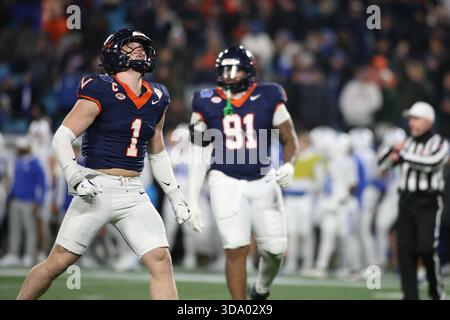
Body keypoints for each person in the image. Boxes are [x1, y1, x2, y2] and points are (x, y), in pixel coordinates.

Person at [16, 28, 196, 300]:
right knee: (59, 262)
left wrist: (175, 195)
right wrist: (74, 176)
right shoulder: (100, 88)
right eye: (130, 47)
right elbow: (62, 137)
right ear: (113, 53)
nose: (139, 50)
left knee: (160, 259)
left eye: (141, 47)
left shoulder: (158, 96)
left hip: (134, 191)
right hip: (96, 187)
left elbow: (157, 151)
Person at [188, 45, 299, 300]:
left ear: (249, 72)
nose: (229, 75)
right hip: (224, 179)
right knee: (235, 247)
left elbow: (289, 137)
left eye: (235, 70)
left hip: (263, 179)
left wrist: (289, 163)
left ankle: (260, 289)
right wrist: (192, 197)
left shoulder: (270, 95)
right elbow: (198, 150)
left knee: (275, 250)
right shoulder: (205, 99)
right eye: (224, 69)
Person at [378, 101, 449, 300]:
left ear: (428, 121)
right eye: (410, 119)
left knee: (427, 248)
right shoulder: (406, 144)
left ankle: (436, 292)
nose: (411, 123)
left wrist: (402, 155)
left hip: (428, 202)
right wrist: (391, 150)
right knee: (405, 251)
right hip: (406, 201)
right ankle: (410, 296)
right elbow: (382, 165)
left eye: (416, 119)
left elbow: (431, 163)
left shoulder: (439, 143)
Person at [0, 138, 46, 267]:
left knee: (29, 229)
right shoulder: (17, 163)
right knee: (15, 228)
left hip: (29, 201)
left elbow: (42, 185)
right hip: (15, 200)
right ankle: (13, 254)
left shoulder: (35, 163)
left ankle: (29, 255)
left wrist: (39, 201)